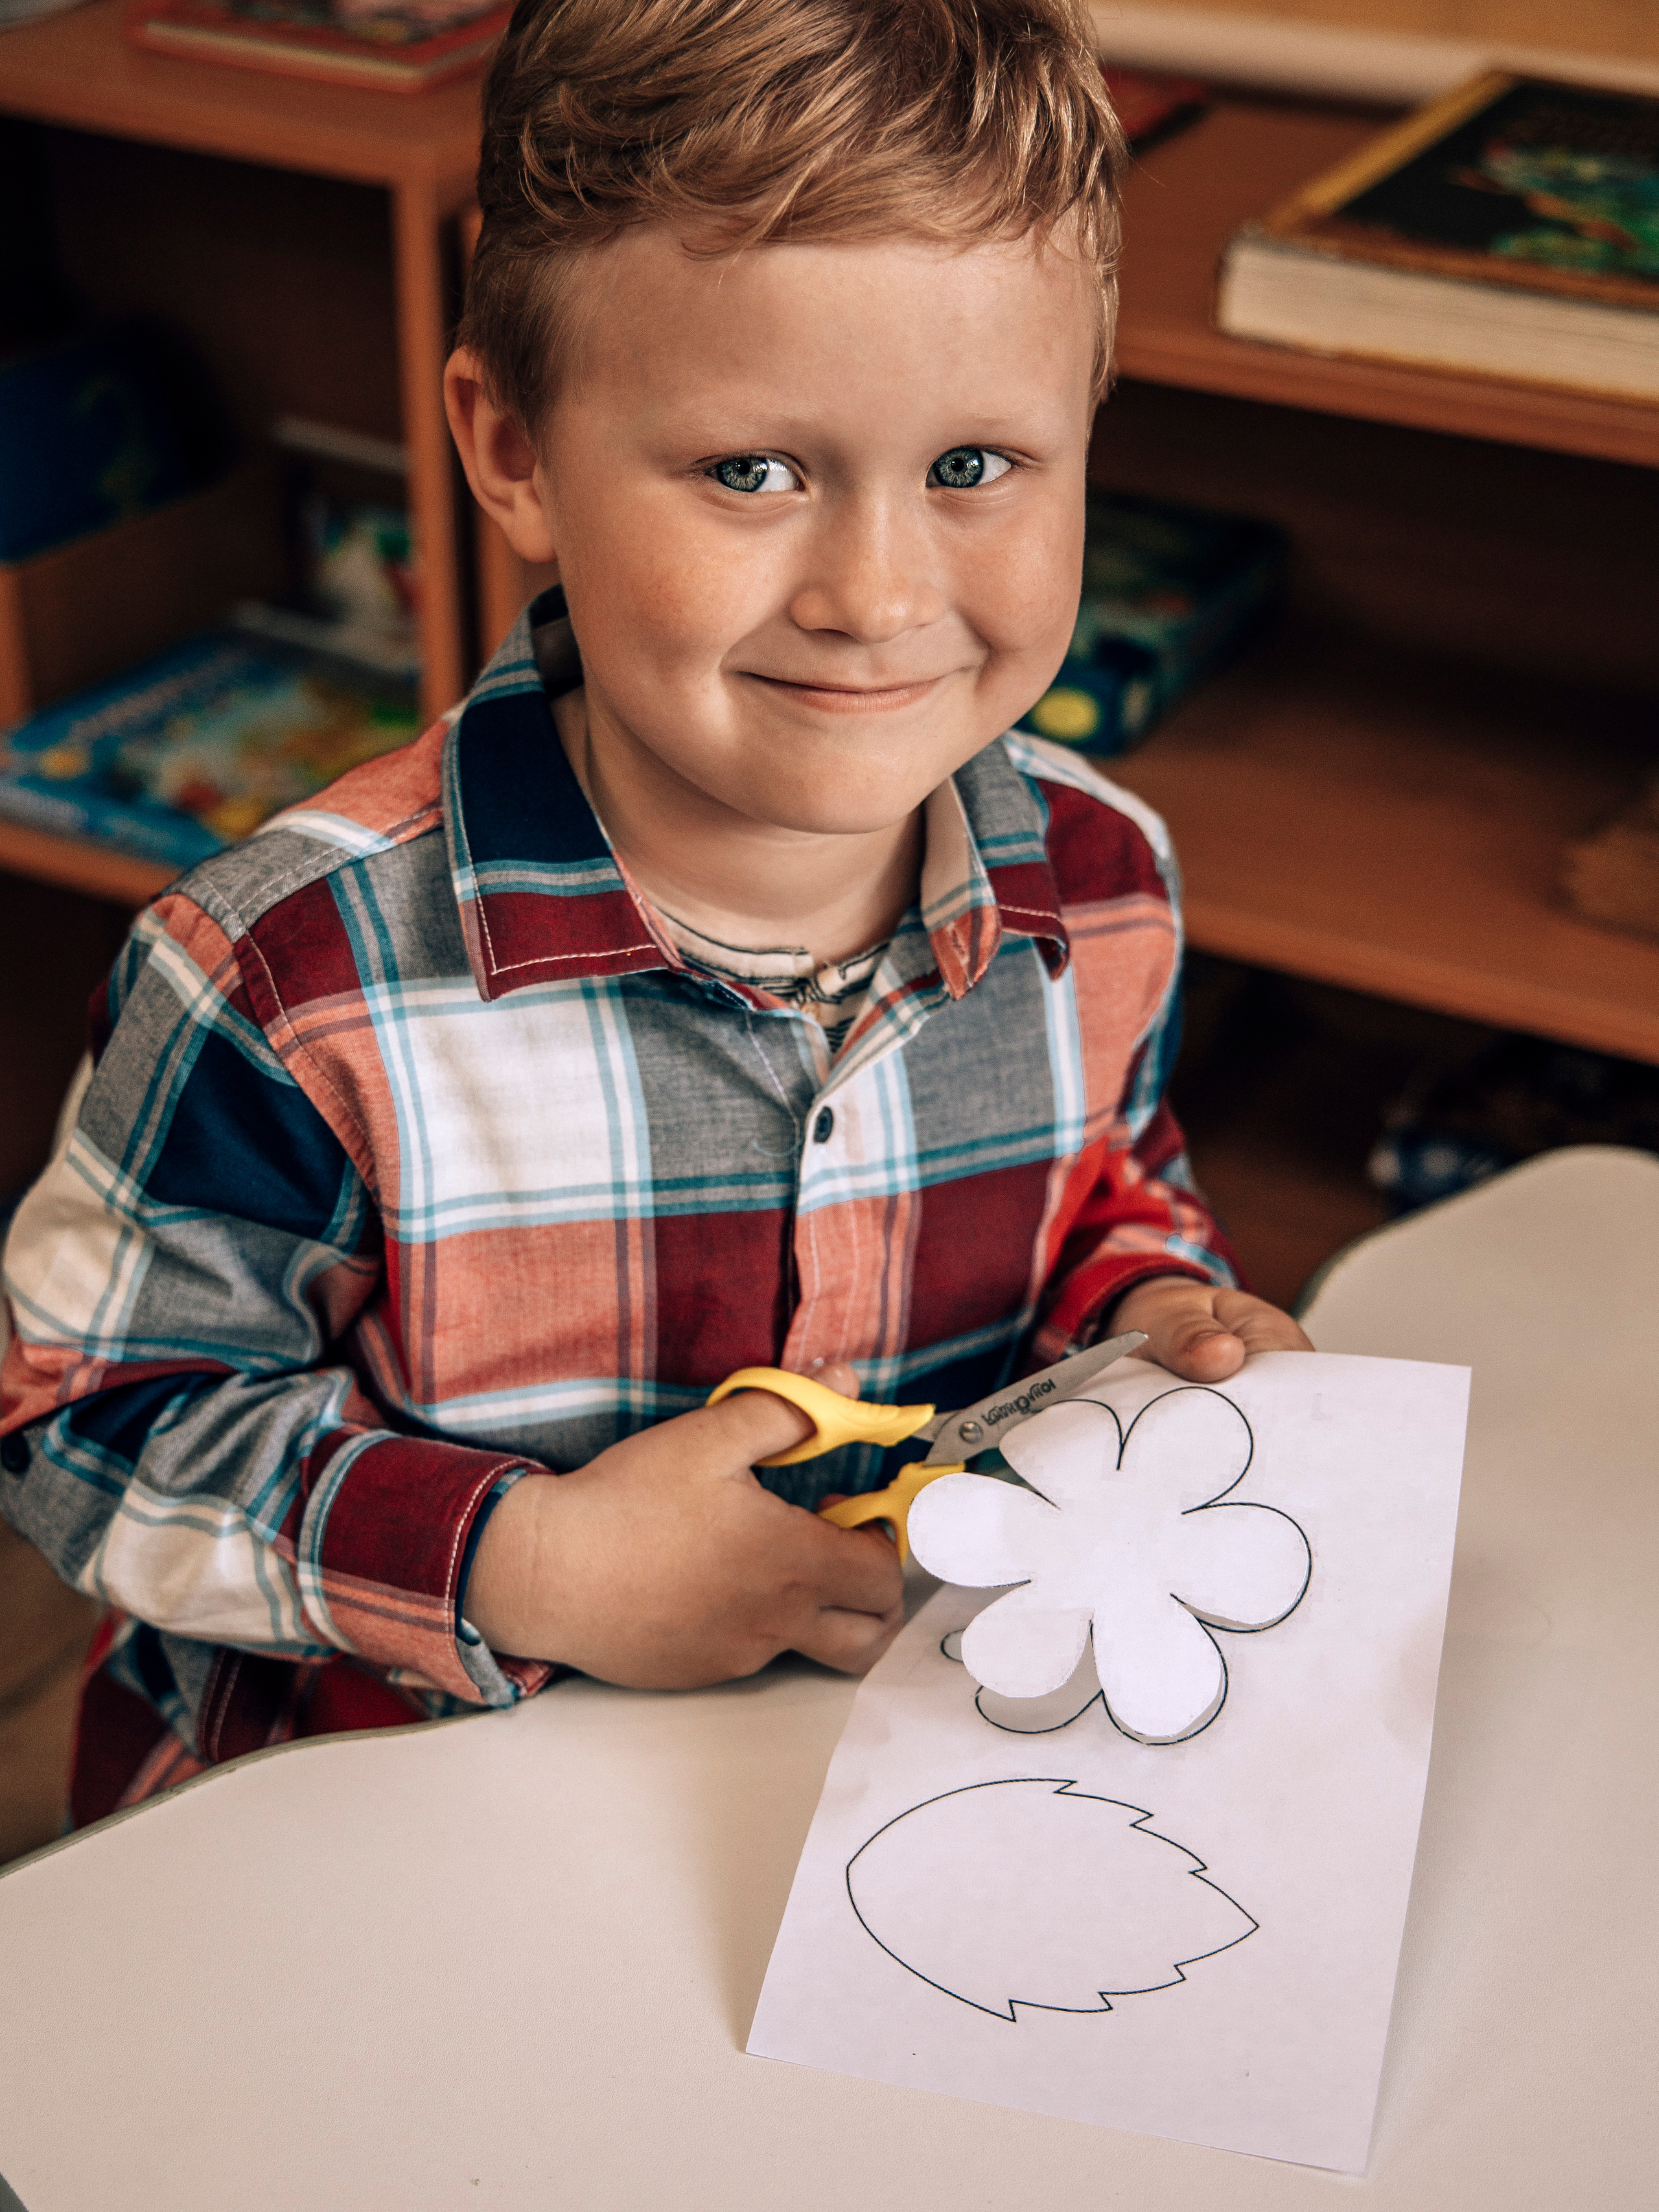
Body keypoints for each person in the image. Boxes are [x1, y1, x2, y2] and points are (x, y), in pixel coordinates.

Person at [0, 0, 1308, 1825]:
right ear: (515, 448)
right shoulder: (285, 981)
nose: (874, 593)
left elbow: (1109, 1183)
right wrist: (528, 1566)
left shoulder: (1105, 885)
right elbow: (84, 1420)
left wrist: (1155, 1308)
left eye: (972, 468)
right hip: (384, 1840)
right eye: (752, 471)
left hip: (873, 1808)